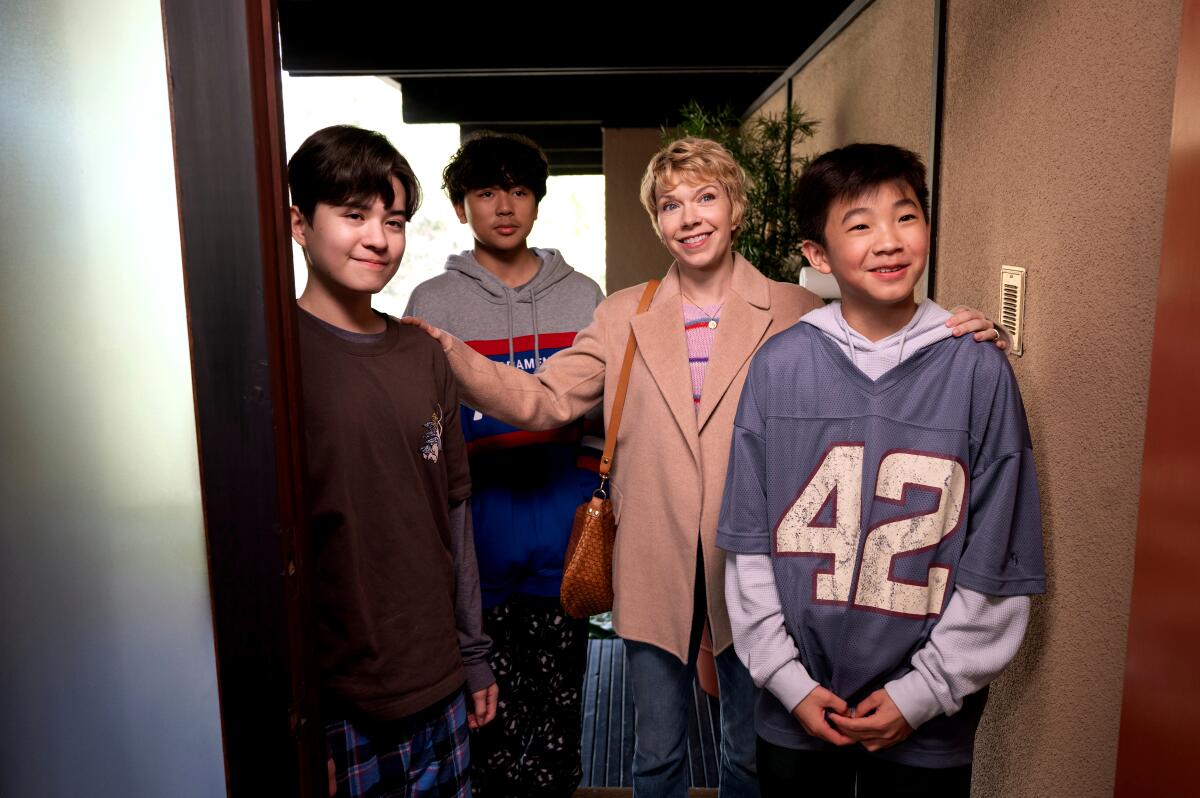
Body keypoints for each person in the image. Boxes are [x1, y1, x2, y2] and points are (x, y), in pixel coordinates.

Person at [404, 137, 1001, 798]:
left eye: (706, 197)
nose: (689, 216)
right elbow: (542, 401)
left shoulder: (798, 312)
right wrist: (451, 354)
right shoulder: (621, 314)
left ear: (736, 207)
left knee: (746, 756)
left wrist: (957, 329)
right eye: (670, 204)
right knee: (656, 756)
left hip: (759, 573)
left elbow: (880, 352)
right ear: (657, 222)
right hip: (653, 560)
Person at [717, 143, 1044, 797]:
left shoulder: (977, 367)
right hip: (798, 702)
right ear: (818, 255)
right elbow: (750, 545)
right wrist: (787, 680)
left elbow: (998, 554)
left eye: (906, 216)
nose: (889, 241)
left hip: (929, 716)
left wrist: (927, 689)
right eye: (860, 225)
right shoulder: (779, 369)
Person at [288, 124, 496, 798]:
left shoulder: (424, 354)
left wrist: (473, 656)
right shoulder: (276, 355)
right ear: (300, 223)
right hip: (344, 701)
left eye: (395, 219)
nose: (379, 238)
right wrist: (301, 717)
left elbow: (453, 515)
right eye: (354, 215)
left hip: (438, 680)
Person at [404, 131, 604, 797]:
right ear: (462, 208)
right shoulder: (432, 304)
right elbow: (423, 434)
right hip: (476, 540)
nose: (504, 205)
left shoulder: (585, 297)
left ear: (538, 203)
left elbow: (606, 421)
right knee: (481, 723)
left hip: (560, 532)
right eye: (485, 192)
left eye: (518, 190)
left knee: (559, 717)